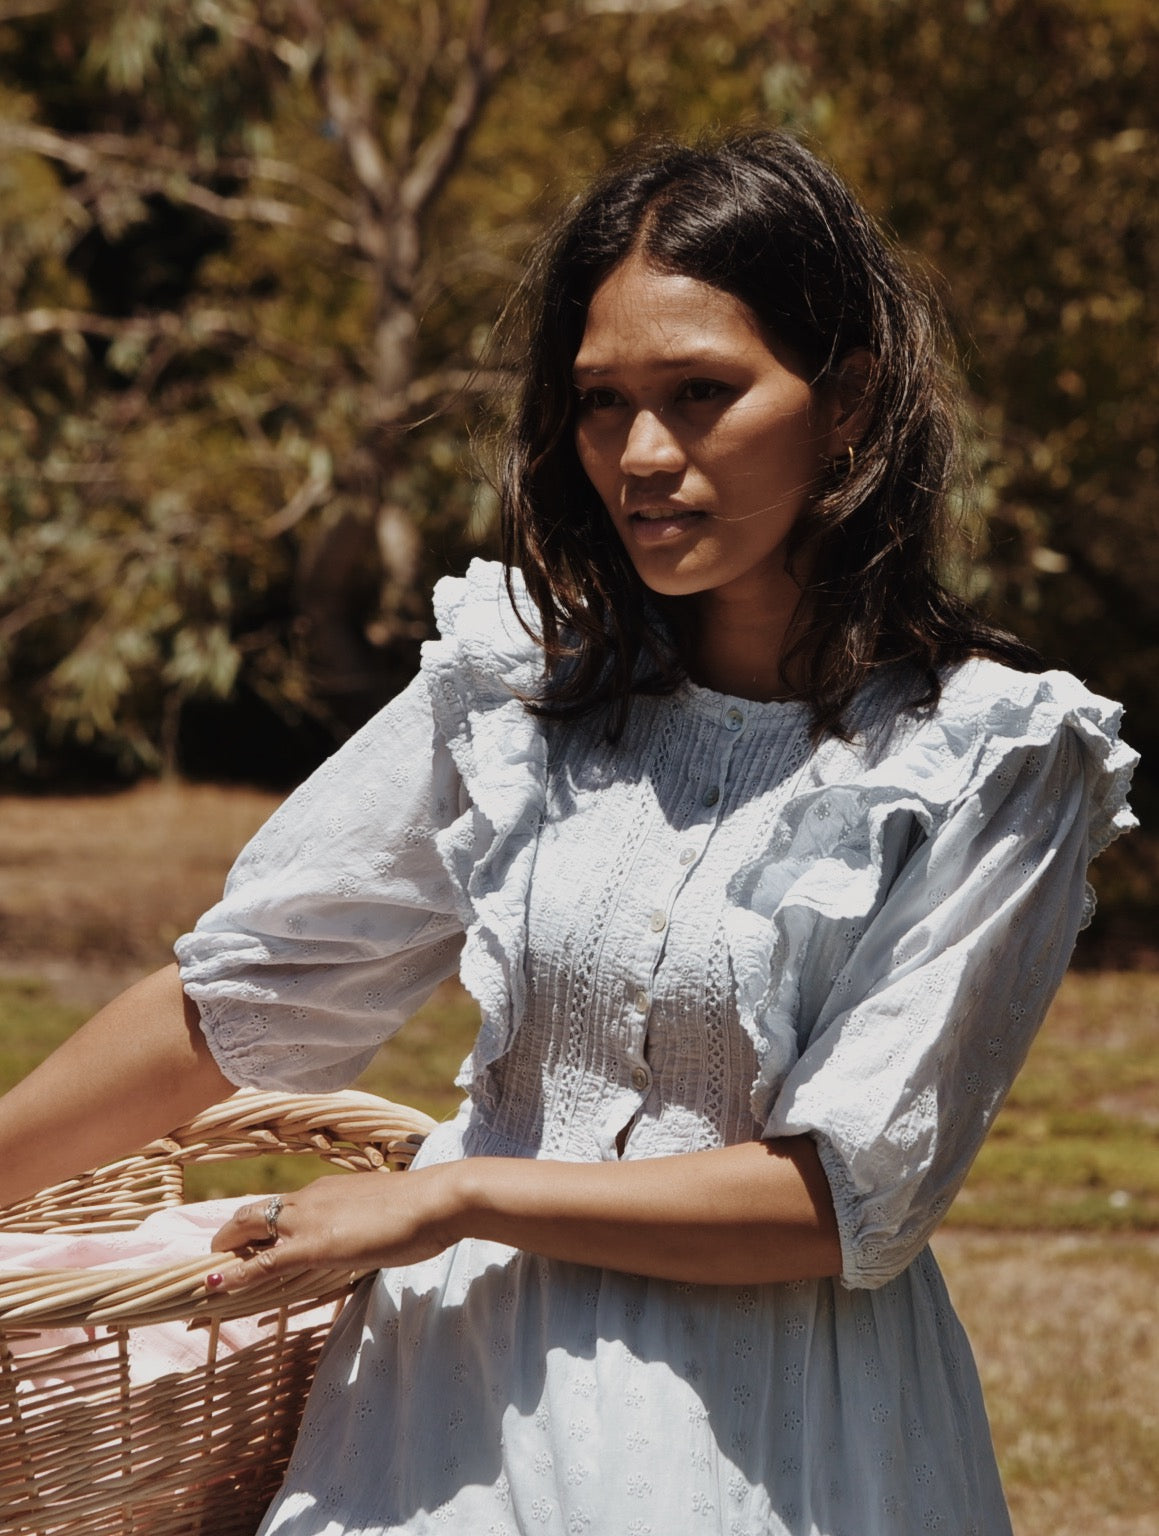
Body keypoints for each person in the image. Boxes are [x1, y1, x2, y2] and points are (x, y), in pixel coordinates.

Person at [0, 131, 1138, 1536]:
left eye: (703, 394)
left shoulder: (991, 760)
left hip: (772, 1430)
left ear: (846, 401)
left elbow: (848, 1202)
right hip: (447, 1415)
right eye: (603, 403)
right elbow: (241, 998)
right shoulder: (516, 682)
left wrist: (457, 1196)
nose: (643, 455)